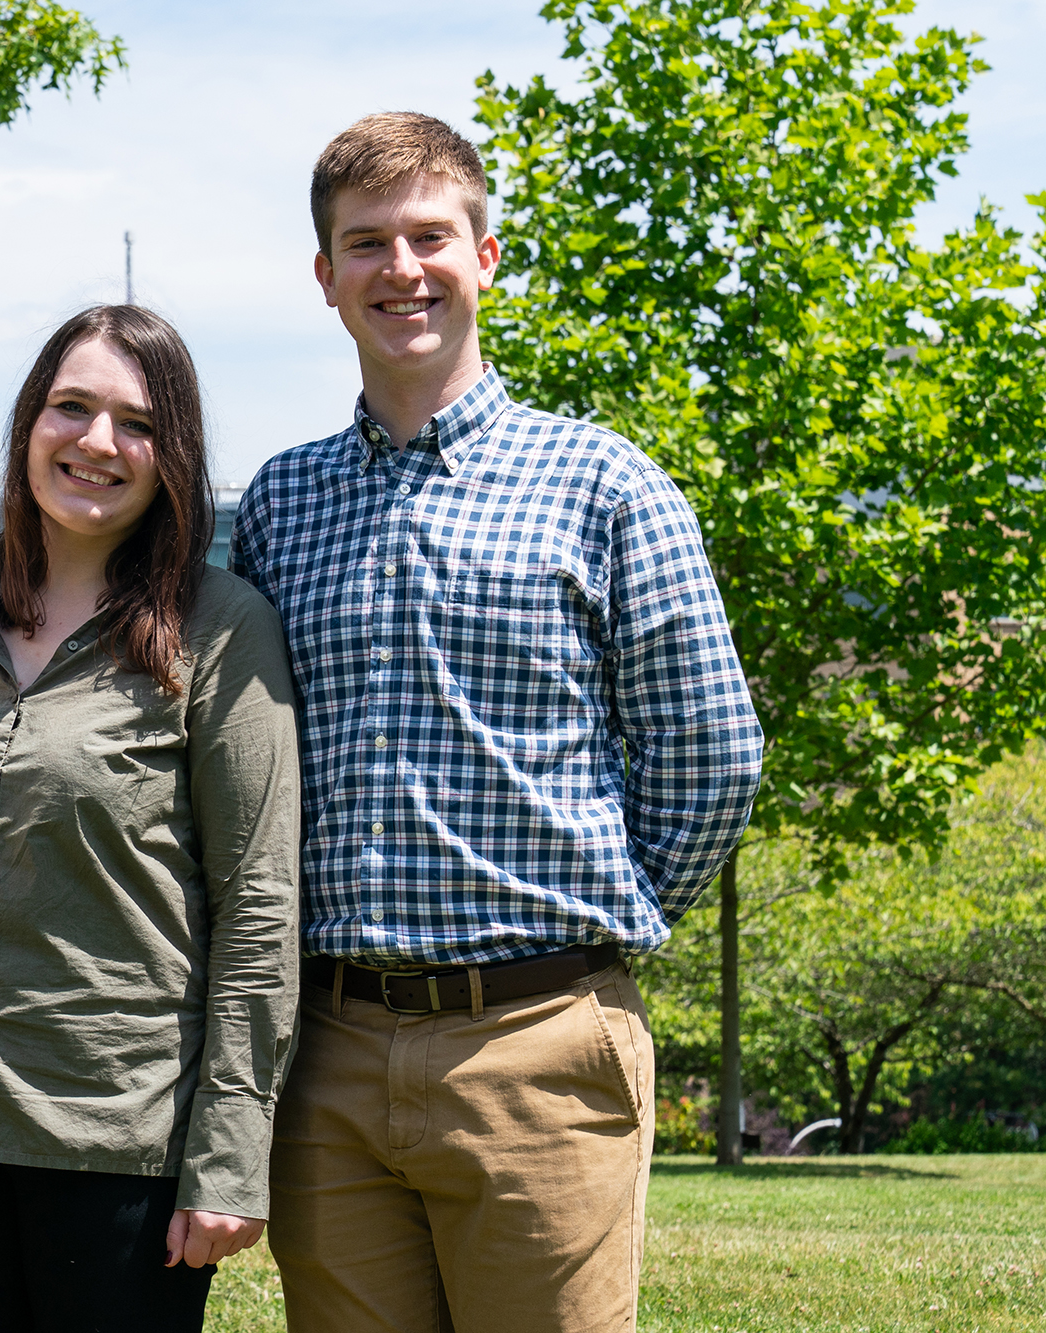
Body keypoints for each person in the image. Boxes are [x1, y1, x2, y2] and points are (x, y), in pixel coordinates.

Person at [230, 113, 764, 1332]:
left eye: (429, 234)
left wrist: (586, 927)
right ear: (323, 278)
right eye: (364, 243)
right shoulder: (279, 503)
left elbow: (710, 754)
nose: (398, 268)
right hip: (327, 1050)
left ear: (485, 254)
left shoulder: (605, 484)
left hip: (540, 1044)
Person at [0, 305, 303, 1332]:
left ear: (173, 455)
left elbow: (258, 907)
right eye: (69, 407)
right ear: (26, 423)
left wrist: (228, 1150)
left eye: (134, 422)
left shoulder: (222, 630)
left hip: (117, 1148)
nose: (94, 442)